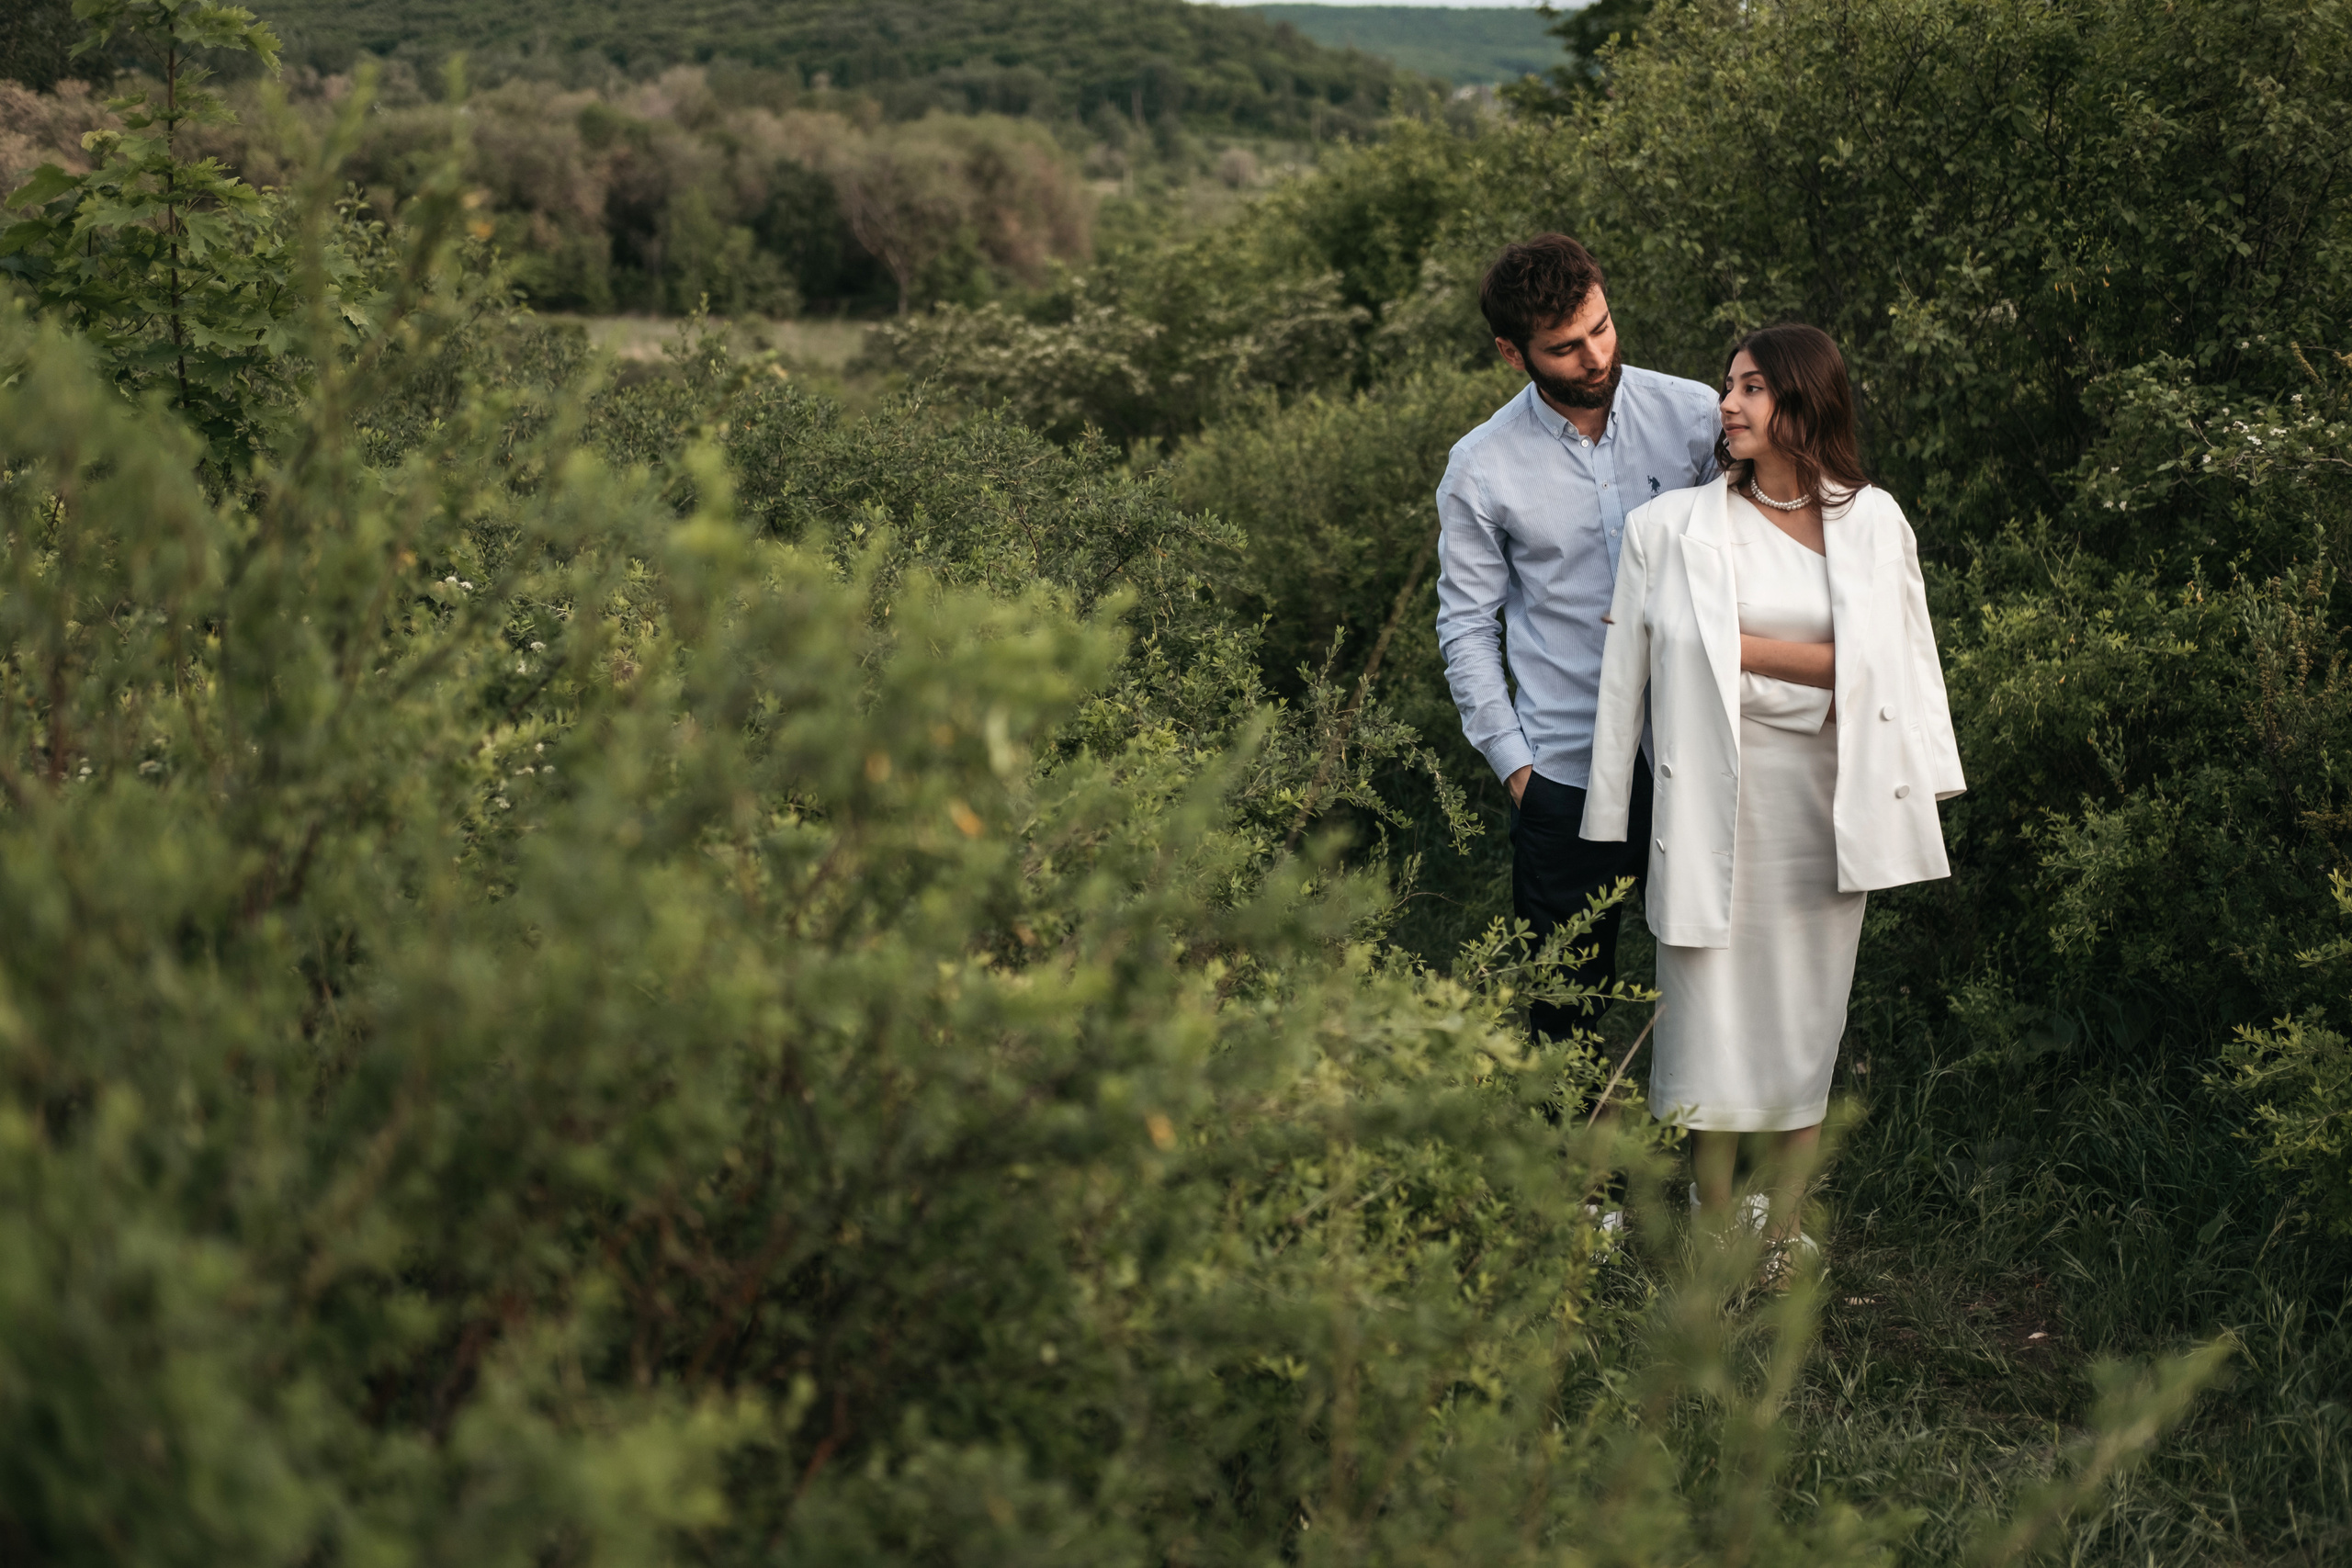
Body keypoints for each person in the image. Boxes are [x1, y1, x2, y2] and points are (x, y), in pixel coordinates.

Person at [1578, 322, 1964, 1261]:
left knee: (1805, 1014)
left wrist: (1722, 645)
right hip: (1709, 792)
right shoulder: (1665, 529)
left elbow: (1897, 662)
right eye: (1727, 387)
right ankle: (1715, 1225)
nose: (1728, 404)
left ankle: (1782, 1226)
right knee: (1705, 1010)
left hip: (1827, 797)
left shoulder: (1873, 522)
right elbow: (1623, 679)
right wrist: (1606, 813)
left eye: (1752, 388)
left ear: (1803, 401)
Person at [1434, 235, 1721, 1046]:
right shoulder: (1481, 469)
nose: (1595, 355)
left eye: (1600, 327)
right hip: (1564, 769)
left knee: (1712, 980)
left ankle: (1713, 1163)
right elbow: (1464, 624)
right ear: (1510, 352)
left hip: (1698, 750)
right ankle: (1578, 1174)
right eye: (1564, 347)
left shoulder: (1697, 415)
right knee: (1565, 1011)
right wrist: (1517, 769)